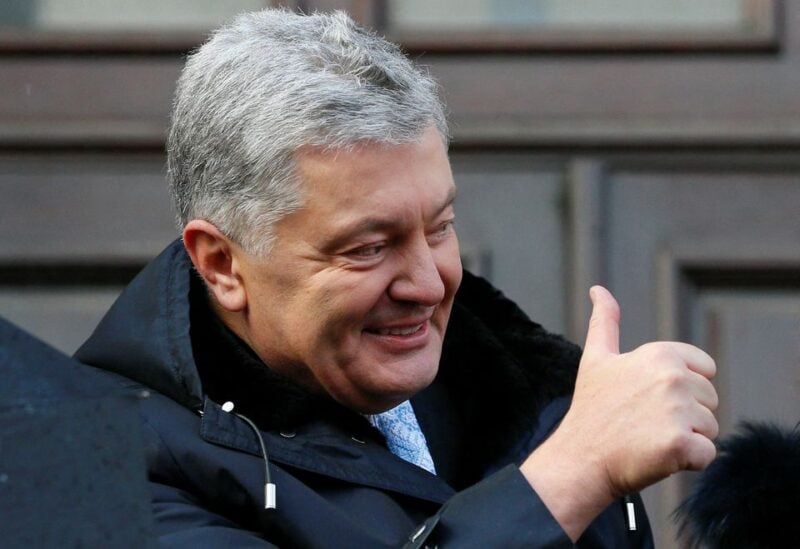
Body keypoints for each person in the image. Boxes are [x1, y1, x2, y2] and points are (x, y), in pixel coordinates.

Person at [75, 9, 718, 547]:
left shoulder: (525, 391)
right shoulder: (97, 472)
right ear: (222, 264)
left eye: (439, 228)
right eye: (369, 247)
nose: (429, 284)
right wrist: (569, 476)